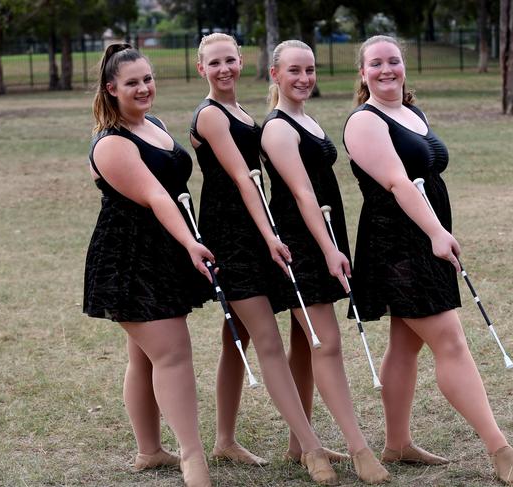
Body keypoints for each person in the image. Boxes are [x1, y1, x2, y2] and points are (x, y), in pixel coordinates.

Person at [343, 35, 513, 486]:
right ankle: (499, 448)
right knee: (451, 342)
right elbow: (399, 184)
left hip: (423, 238)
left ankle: (397, 443)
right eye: (376, 63)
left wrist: (437, 231)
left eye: (394, 61)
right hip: (398, 245)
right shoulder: (363, 123)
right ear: (363, 72)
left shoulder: (411, 112)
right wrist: (436, 233)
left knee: (405, 343)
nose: (386, 70)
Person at [191, 32, 339, 485]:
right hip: (232, 238)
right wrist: (271, 233)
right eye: (214, 63)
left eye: (230, 60)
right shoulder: (211, 116)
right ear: (202, 69)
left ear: (242, 62)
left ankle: (225, 439)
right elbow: (242, 178)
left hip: (255, 233)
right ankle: (310, 448)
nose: (224, 69)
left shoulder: (244, 112)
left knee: (234, 337)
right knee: (266, 340)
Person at [260, 39, 392, 485]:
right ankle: (359, 448)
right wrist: (330, 248)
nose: (303, 79)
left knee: (307, 342)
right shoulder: (278, 129)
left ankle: (301, 444)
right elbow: (302, 194)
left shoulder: (307, 120)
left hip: (324, 239)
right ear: (274, 74)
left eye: (310, 70)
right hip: (302, 245)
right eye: (294, 71)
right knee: (327, 342)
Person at [83, 43, 214, 487]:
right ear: (111, 88)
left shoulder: (153, 125)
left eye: (147, 78)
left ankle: (150, 451)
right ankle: (192, 459)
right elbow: (157, 195)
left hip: (162, 252)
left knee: (144, 357)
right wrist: (192, 243)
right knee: (173, 354)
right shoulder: (112, 144)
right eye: (132, 82)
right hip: (129, 261)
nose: (143, 87)